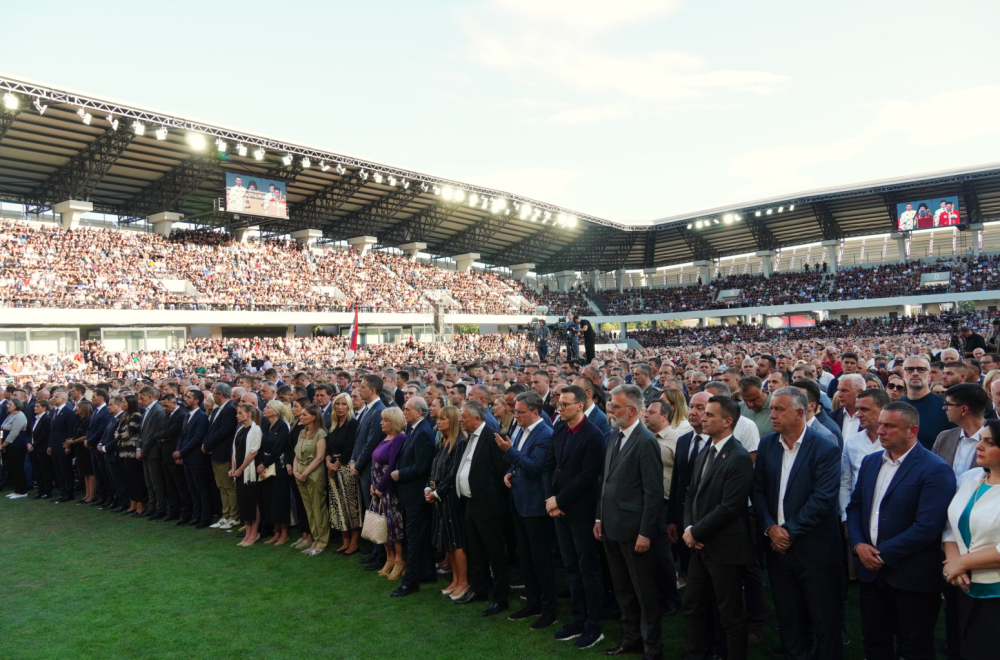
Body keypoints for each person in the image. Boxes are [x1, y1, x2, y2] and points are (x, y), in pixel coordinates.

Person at [846, 401, 957, 660]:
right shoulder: (872, 462)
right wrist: (859, 546)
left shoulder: (935, 469)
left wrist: (879, 555)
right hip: (872, 574)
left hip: (913, 575)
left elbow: (927, 527)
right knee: (874, 639)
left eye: (889, 426)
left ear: (912, 430)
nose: (880, 430)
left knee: (914, 645)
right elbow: (855, 508)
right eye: (881, 424)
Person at [752, 387, 843, 660]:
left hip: (815, 550)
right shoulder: (768, 444)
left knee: (824, 620)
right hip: (778, 549)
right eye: (772, 409)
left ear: (800, 413)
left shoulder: (825, 447)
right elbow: (757, 491)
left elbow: (823, 499)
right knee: (788, 616)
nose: (773, 414)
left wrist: (788, 531)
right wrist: (770, 528)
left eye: (779, 409)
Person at [682, 395, 756, 660]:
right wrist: (690, 528)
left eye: (710, 415)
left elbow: (730, 506)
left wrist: (696, 532)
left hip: (725, 548)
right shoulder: (706, 450)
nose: (703, 418)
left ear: (727, 422)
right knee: (693, 606)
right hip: (699, 546)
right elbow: (691, 492)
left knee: (730, 613)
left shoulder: (738, 457)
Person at [596, 384, 663, 659]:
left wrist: (646, 533)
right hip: (611, 527)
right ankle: (631, 638)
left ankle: (653, 647)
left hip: (635, 532)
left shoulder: (646, 441)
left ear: (632, 410)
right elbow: (606, 480)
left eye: (615, 406)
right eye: (610, 404)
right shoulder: (613, 435)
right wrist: (599, 516)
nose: (609, 410)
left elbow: (653, 492)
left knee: (644, 592)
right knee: (622, 589)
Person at [932, 382, 989, 658]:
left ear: (963, 409)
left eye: (948, 405)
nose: (944, 409)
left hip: (982, 536)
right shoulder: (945, 437)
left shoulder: (994, 438)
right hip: (946, 533)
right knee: (952, 602)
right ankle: (953, 644)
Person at [497, 390, 557, 627]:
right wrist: (509, 472)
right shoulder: (519, 429)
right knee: (526, 559)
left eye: (519, 412)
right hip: (520, 503)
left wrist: (508, 452)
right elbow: (519, 462)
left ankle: (549, 609)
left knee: (540, 560)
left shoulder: (545, 434)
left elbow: (534, 466)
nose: (515, 415)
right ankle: (533, 603)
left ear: (535, 412)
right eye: (514, 411)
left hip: (536, 507)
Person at [942, 418, 1000, 660]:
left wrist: (963, 563)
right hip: (962, 585)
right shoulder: (971, 477)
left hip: (994, 592)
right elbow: (950, 525)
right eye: (980, 440)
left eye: (989, 442)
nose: (979, 446)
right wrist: (954, 561)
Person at [453, 400, 510, 616]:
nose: (461, 420)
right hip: (470, 503)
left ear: (477, 419)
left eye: (464, 417)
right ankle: (479, 589)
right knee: (475, 550)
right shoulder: (469, 438)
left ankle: (500, 597)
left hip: (489, 507)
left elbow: (501, 472)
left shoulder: (491, 437)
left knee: (495, 552)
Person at [642, 398, 682, 616]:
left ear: (664, 416)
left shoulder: (676, 440)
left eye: (651, 412)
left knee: (662, 552)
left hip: (665, 504)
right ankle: (655, 593)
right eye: (646, 411)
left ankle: (670, 598)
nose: (646, 415)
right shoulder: (644, 438)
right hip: (645, 502)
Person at [427, 405, 469, 600]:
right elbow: (435, 469)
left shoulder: (460, 443)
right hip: (439, 498)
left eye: (443, 419)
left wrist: (437, 493)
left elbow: (454, 474)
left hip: (451, 499)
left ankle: (463, 582)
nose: (438, 421)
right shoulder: (443, 442)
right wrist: (429, 488)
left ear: (452, 421)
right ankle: (454, 579)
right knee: (447, 542)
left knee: (456, 541)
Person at [351, 374, 387, 570]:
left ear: (372, 390)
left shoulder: (379, 411)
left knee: (375, 511)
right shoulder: (368, 410)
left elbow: (371, 443)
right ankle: (375, 552)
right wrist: (352, 460)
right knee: (369, 509)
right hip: (362, 468)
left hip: (369, 471)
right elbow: (359, 441)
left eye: (363, 387)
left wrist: (357, 465)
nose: (359, 389)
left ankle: (380, 554)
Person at [370, 407, 407, 580]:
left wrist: (380, 487)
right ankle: (389, 558)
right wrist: (373, 484)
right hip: (377, 489)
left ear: (395, 421)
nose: (381, 423)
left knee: (394, 525)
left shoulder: (399, 438)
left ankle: (399, 560)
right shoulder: (386, 437)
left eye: (385, 420)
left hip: (389, 490)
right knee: (382, 524)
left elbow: (392, 465)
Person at [325, 392, 362, 555]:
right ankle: (344, 540)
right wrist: (328, 462)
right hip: (332, 468)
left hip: (346, 468)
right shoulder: (333, 424)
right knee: (337, 505)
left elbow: (350, 448)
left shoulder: (353, 423)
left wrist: (336, 465)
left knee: (350, 505)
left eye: (344, 404)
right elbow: (328, 446)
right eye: (337, 404)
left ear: (349, 406)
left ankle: (354, 541)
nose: (340, 407)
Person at [293, 404, 329, 556]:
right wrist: (295, 470)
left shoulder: (320, 433)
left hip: (313, 475)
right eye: (301, 415)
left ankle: (322, 542)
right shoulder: (302, 432)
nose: (301, 417)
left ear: (313, 417)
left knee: (318, 508)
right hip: (300, 475)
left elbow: (319, 457)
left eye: (304, 415)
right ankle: (315, 540)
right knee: (309, 510)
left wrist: (305, 473)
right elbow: (296, 454)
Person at [174, 388, 212, 528]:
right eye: (185, 396)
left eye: (189, 397)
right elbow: (182, 436)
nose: (185, 399)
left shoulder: (201, 417)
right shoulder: (187, 416)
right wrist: (178, 451)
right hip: (187, 458)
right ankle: (195, 516)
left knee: (201, 489)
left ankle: (205, 517)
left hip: (196, 459)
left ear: (196, 400)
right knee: (192, 490)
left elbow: (197, 439)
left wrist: (181, 452)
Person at [203, 383, 239, 530]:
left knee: (229, 487)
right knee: (222, 486)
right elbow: (212, 430)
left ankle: (234, 516)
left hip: (224, 453)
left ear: (220, 395)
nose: (213, 395)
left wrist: (207, 445)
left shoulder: (229, 409)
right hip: (216, 453)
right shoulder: (219, 410)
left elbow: (223, 431)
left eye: (214, 392)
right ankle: (226, 515)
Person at [900, 356, 955, 448]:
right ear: (902, 374)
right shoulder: (895, 407)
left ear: (929, 375)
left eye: (921, 369)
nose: (915, 373)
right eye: (910, 369)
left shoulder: (946, 407)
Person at [258, 400, 291, 545]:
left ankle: (284, 533)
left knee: (279, 500)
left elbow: (279, 448)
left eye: (268, 407)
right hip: (265, 465)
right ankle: (276, 531)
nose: (264, 409)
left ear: (276, 411)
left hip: (278, 466)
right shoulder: (265, 425)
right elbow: (261, 446)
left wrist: (265, 464)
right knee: (269, 500)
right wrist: (261, 465)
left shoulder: (282, 426)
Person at [230, 403, 262, 547]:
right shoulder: (240, 430)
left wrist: (241, 469)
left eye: (240, 413)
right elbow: (234, 451)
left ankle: (254, 533)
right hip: (239, 471)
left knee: (252, 502)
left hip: (249, 472)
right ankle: (248, 531)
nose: (237, 415)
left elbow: (253, 452)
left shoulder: (256, 430)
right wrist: (233, 468)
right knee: (243, 502)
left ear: (249, 414)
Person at [155, 393, 190, 524]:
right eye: (163, 406)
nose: (164, 408)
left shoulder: (180, 415)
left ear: (174, 403)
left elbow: (171, 432)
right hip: (165, 455)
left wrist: (162, 434)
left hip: (174, 455)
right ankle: (173, 511)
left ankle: (184, 512)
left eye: (166, 406)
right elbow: (158, 432)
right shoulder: (167, 415)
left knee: (180, 485)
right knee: (170, 485)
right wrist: (162, 435)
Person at [137, 386, 167, 521]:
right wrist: (139, 448)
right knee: (149, 482)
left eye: (141, 398)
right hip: (146, 453)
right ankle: (152, 507)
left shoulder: (157, 411)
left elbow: (152, 435)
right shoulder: (148, 410)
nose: (139, 401)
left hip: (153, 453)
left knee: (157, 483)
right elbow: (142, 432)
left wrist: (142, 451)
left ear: (150, 397)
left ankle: (159, 508)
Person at [115, 394, 147, 516]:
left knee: (135, 479)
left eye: (124, 402)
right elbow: (118, 430)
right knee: (128, 479)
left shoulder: (136, 416)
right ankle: (132, 503)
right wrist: (119, 435)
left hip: (131, 452)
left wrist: (118, 436)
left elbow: (128, 433)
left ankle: (140, 505)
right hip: (122, 451)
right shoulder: (124, 416)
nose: (121, 404)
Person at [48, 389, 77, 504]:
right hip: (54, 445)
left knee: (66, 470)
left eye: (56, 397)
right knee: (58, 471)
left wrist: (68, 446)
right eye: (53, 396)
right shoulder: (53, 412)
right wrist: (50, 445)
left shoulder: (68, 412)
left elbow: (70, 431)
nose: (53, 398)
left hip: (63, 446)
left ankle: (68, 493)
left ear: (64, 399)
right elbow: (52, 431)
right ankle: (62, 491)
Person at [1, 398, 29, 498]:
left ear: (16, 405)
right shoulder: (10, 415)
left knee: (18, 467)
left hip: (17, 445)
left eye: (10, 404)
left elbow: (14, 433)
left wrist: (3, 445)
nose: (7, 405)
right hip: (10, 446)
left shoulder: (19, 416)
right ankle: (16, 490)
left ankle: (22, 491)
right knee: (12, 467)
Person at [69, 400, 95, 503]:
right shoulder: (79, 420)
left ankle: (92, 494)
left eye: (79, 407)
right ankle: (87, 493)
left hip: (85, 449)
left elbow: (86, 435)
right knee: (84, 472)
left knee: (89, 472)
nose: (76, 409)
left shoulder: (88, 420)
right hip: (79, 449)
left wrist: (74, 441)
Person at [29, 399, 53, 499]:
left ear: (44, 408)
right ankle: (40, 490)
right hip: (35, 448)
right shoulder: (35, 419)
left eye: (38, 406)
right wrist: (30, 444)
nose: (35, 408)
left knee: (45, 471)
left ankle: (47, 491)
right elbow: (32, 433)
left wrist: (33, 445)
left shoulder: (46, 419)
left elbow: (44, 435)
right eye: (35, 406)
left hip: (42, 449)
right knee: (37, 471)